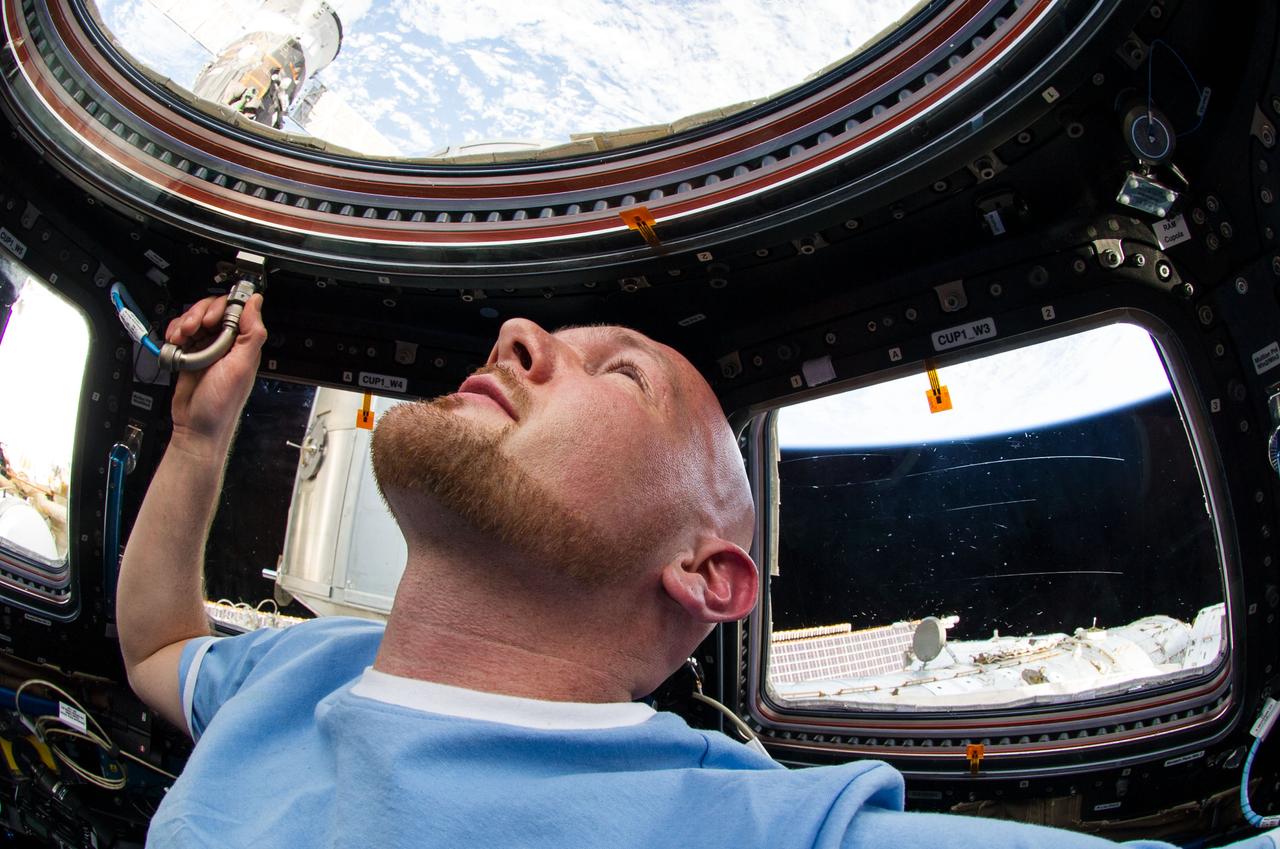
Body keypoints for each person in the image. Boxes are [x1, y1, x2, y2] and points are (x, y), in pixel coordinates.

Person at [116, 295, 1279, 849]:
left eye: (616, 374)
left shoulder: (759, 830)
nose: (514, 334)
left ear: (708, 575)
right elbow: (158, 646)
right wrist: (200, 439)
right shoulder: (297, 670)